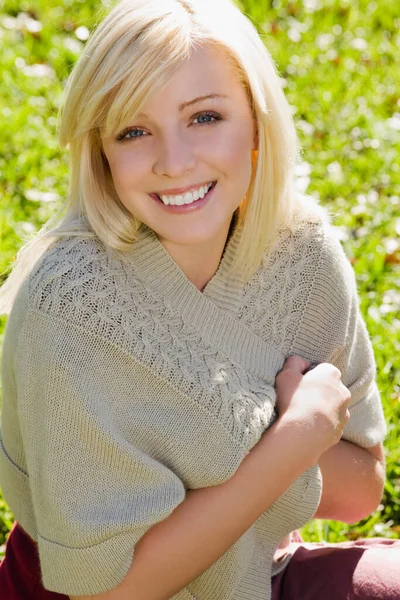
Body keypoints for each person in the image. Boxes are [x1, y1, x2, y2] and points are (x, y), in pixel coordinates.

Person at [0, 0, 398, 598]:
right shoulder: (67, 307)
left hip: (259, 570)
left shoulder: (302, 253)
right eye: (134, 131)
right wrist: (293, 436)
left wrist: (284, 448)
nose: (175, 162)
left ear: (258, 123)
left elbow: (361, 486)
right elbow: (110, 591)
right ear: (101, 152)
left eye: (205, 117)